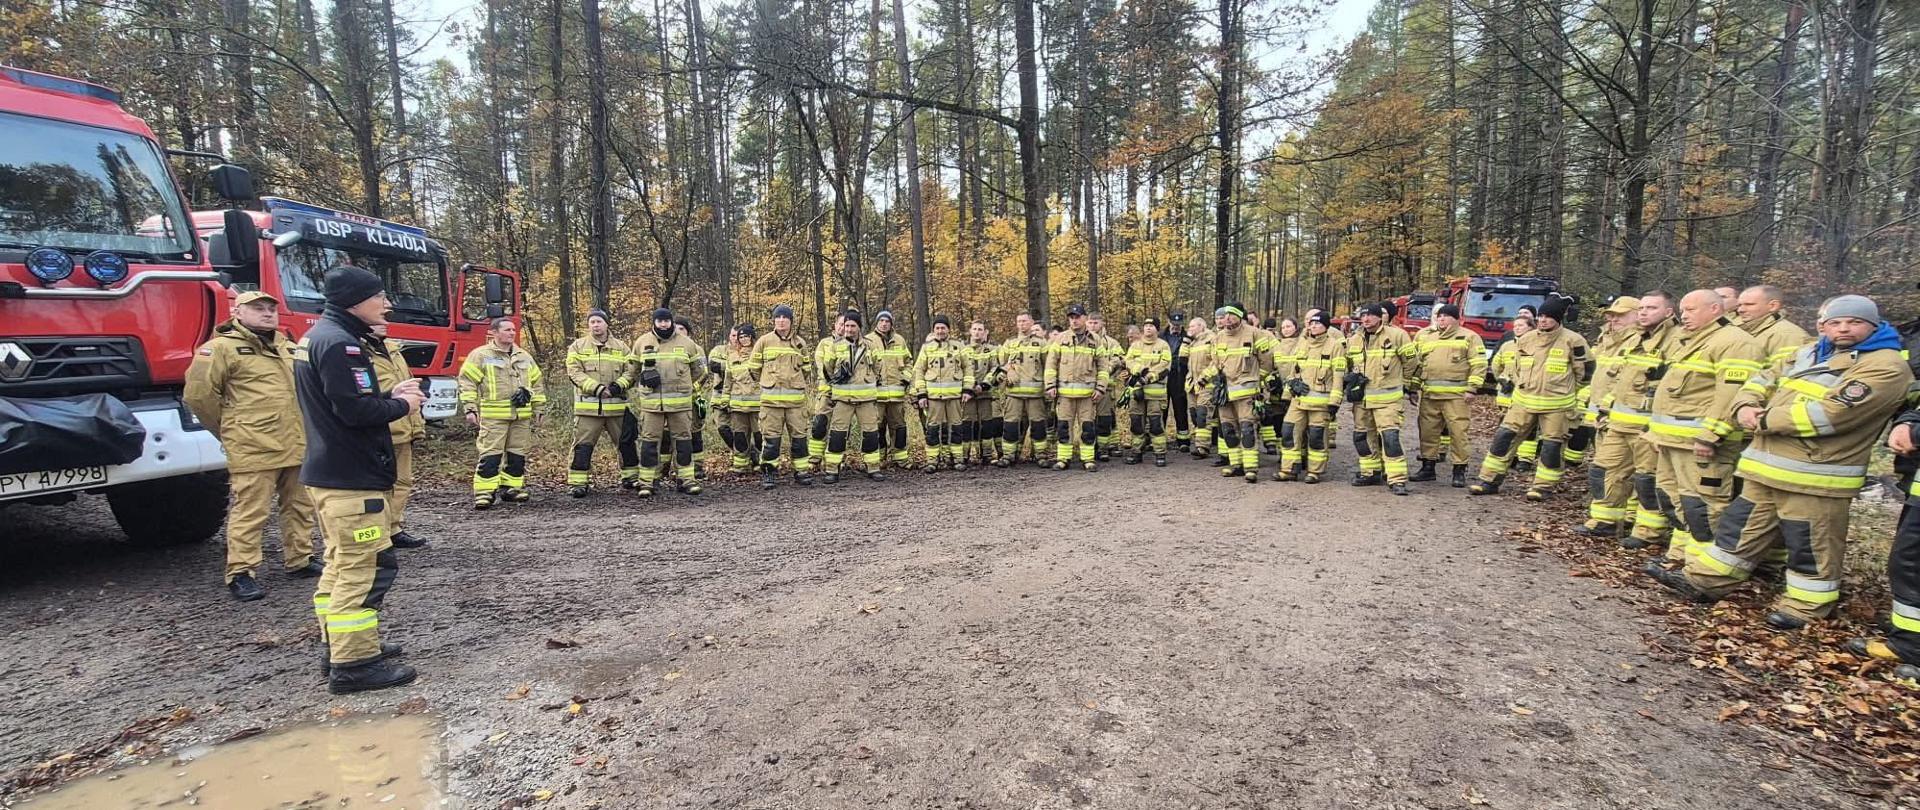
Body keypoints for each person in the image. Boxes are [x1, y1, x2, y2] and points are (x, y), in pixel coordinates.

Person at [1646, 295, 1912, 631]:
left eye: (1854, 322)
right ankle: (1704, 581)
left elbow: (1832, 414)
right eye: (1835, 322)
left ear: (1874, 325)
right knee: (1738, 529)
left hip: (1817, 475)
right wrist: (1744, 405)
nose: (1843, 328)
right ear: (1824, 326)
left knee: (1809, 544)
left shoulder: (1884, 365)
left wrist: (1763, 419)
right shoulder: (1812, 351)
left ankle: (1806, 606)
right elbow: (1760, 380)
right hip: (1767, 465)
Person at [292, 265, 424, 694]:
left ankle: (342, 647)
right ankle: (355, 665)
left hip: (332, 474)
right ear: (354, 300)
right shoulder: (341, 346)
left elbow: (345, 404)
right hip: (351, 479)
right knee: (364, 568)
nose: (386, 303)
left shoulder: (318, 337)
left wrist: (384, 398)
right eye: (379, 296)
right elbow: (355, 412)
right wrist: (401, 404)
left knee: (338, 565)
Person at [185, 290, 319, 602]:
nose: (267, 314)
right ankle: (241, 572)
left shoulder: (287, 345)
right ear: (238, 312)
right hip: (253, 444)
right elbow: (199, 397)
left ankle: (300, 559)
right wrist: (229, 429)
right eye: (258, 308)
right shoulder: (219, 349)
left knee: (300, 505)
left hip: (295, 440)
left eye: (271, 309)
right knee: (251, 510)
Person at [1643, 290, 1763, 564]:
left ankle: (1701, 567)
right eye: (1682, 310)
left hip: (1701, 444)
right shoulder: (1693, 341)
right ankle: (1678, 558)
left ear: (1714, 309)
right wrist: (1656, 432)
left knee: (1702, 506)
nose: (1684, 315)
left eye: (1691, 310)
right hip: (1673, 441)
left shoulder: (1735, 343)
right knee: (1674, 499)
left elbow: (1731, 396)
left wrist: (1710, 437)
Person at [1581, 292, 1681, 545]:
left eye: (1652, 308)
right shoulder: (1635, 340)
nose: (1645, 312)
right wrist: (1606, 409)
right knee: (1604, 470)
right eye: (1643, 307)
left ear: (1669, 312)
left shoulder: (1677, 342)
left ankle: (1648, 532)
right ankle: (1605, 520)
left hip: (1647, 427)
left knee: (1647, 480)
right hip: (1618, 422)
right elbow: (1619, 380)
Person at [1470, 294, 1590, 499]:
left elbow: (1586, 373)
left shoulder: (1573, 341)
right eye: (1541, 315)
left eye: (1548, 316)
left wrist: (1567, 392)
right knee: (1503, 438)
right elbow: (1515, 367)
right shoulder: (1526, 339)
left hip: (1556, 405)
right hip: (1523, 402)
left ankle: (1543, 487)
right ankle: (1489, 480)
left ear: (1558, 318)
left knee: (1551, 447)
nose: (1543, 320)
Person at [457, 318, 545, 509]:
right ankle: (484, 492)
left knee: (517, 454)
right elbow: (467, 382)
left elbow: (536, 383)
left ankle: (511, 488)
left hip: (520, 416)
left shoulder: (524, 356)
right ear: (494, 333)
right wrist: (470, 408)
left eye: (513, 330)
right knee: (491, 455)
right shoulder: (481, 355)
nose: (512, 333)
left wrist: (538, 408)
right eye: (507, 330)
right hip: (494, 417)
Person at [629, 308, 709, 496]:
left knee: (683, 443)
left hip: (680, 405)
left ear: (671, 321)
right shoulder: (642, 342)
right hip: (651, 405)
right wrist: (643, 379)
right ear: (654, 322)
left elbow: (699, 371)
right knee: (649, 444)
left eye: (666, 320)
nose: (663, 324)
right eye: (660, 321)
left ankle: (687, 480)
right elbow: (632, 370)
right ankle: (647, 483)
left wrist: (685, 385)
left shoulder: (687, 344)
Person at [1409, 303, 1487, 488]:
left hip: (1457, 397)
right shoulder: (1426, 338)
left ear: (1455, 318)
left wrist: (1472, 388)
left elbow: (1479, 364)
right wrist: (1413, 388)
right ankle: (1428, 467)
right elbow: (1417, 365)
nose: (1441, 319)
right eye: (1439, 316)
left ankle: (1459, 470)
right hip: (1430, 396)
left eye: (1445, 316)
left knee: (1459, 433)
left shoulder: (1469, 337)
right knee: (1428, 432)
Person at [563, 309, 637, 497]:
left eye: (599, 321)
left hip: (617, 408)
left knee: (626, 444)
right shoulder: (577, 346)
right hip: (588, 410)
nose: (595, 325)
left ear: (606, 324)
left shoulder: (621, 347)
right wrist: (596, 388)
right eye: (592, 322)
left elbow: (632, 371)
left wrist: (616, 387)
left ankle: (631, 477)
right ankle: (578, 483)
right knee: (582, 446)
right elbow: (574, 372)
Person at [368, 322, 429, 550]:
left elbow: (410, 386)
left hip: (403, 426)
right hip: (379, 428)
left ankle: (394, 528)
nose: (383, 323)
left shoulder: (393, 349)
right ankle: (379, 534)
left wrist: (417, 424)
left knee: (402, 482)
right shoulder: (355, 351)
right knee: (378, 486)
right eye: (378, 320)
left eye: (385, 319)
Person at [1345, 302, 1417, 495]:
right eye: (1363, 316)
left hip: (1388, 398)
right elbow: (1348, 363)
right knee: (1362, 437)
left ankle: (1397, 480)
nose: (1366, 319)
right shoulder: (1354, 339)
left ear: (1380, 317)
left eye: (1370, 316)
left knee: (1390, 438)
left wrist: (1406, 383)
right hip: (1362, 400)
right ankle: (1370, 472)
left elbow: (1411, 362)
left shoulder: (1397, 335)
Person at [1206, 303, 1278, 483]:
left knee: (1247, 429)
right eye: (1225, 315)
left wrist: (1259, 382)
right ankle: (1236, 465)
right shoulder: (1218, 338)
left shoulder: (1255, 333)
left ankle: (1251, 468)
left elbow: (1266, 362)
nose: (1227, 318)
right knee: (1228, 430)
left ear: (1240, 316)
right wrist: (1205, 379)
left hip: (1247, 391)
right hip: (1225, 393)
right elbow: (1214, 363)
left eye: (1231, 314)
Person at [1278, 310, 1346, 483]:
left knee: (1316, 437)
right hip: (1298, 400)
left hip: (1321, 402)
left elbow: (1339, 375)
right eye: (1311, 323)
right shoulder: (1303, 344)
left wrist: (1335, 402)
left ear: (1326, 326)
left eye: (1318, 323)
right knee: (1288, 431)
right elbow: (1294, 371)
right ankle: (1289, 469)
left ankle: (1314, 471)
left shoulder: (1335, 346)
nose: (1313, 326)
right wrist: (1288, 394)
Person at [752, 304, 815, 488]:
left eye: (784, 318)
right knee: (771, 441)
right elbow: (754, 369)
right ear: (773, 320)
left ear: (790, 321)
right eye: (777, 317)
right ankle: (769, 473)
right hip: (771, 404)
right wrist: (767, 383)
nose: (781, 321)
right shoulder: (764, 341)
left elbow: (806, 370)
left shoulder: (800, 343)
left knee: (800, 439)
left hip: (795, 404)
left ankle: (801, 472)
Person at [820, 310, 887, 482]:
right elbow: (827, 368)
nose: (849, 329)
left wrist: (872, 382)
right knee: (837, 434)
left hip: (866, 399)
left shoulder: (870, 345)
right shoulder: (836, 345)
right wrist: (834, 384)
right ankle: (832, 470)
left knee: (871, 433)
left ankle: (873, 468)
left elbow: (879, 367)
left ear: (859, 327)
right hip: (843, 399)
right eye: (847, 325)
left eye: (853, 326)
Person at [1046, 304, 1108, 470]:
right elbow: (1051, 364)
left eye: (1077, 317)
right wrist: (1050, 385)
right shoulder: (1060, 339)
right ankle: (1063, 458)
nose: (1074, 320)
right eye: (1071, 317)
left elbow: (1103, 367)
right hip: (1065, 394)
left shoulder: (1095, 340)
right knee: (1064, 427)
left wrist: (1100, 388)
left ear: (1084, 319)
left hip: (1088, 395)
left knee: (1087, 427)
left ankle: (1087, 459)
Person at [913, 316, 971, 471]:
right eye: (937, 328)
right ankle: (932, 461)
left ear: (948, 330)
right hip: (933, 398)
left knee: (956, 428)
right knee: (932, 429)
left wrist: (967, 389)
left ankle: (957, 460)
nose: (940, 331)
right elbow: (919, 370)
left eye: (943, 328)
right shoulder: (927, 347)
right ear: (934, 330)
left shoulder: (959, 346)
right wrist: (921, 394)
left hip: (955, 397)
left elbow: (968, 368)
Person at [999, 312, 1051, 467]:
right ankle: (1009, 455)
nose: (1021, 324)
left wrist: (1048, 389)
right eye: (1019, 321)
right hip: (1014, 393)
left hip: (1035, 394)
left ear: (1031, 322)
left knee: (1038, 425)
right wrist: (1009, 370)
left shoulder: (1041, 344)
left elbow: (1048, 365)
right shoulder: (1009, 343)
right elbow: (1001, 363)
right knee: (1011, 425)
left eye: (1024, 321)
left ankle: (1040, 455)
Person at [1122, 318, 1173, 466]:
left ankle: (1160, 453)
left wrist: (1148, 377)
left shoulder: (1163, 346)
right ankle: (1136, 452)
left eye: (1151, 326)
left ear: (1157, 329)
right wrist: (1137, 370)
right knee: (1136, 423)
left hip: (1155, 394)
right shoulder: (1135, 345)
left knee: (1156, 424)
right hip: (1137, 392)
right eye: (1146, 326)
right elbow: (1128, 361)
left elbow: (1165, 367)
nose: (1148, 328)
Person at [870, 311, 914, 470]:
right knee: (877, 429)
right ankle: (880, 459)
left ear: (891, 323)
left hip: (897, 396)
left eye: (887, 321)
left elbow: (909, 362)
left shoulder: (899, 340)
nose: (884, 323)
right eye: (881, 320)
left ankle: (900, 459)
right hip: (877, 397)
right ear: (877, 323)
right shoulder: (869, 340)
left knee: (899, 428)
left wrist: (906, 378)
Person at [1736, 285, 1813, 375]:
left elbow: (1784, 374)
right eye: (1739, 305)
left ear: (1773, 306)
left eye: (1749, 304)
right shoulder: (1746, 331)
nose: (1740, 310)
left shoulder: (1787, 335)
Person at [719, 323, 761, 474]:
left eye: (747, 336)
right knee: (740, 436)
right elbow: (727, 381)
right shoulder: (732, 357)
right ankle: (741, 465)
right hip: (738, 405)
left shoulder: (759, 355)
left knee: (760, 435)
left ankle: (762, 463)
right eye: (741, 336)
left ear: (752, 337)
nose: (744, 339)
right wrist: (725, 399)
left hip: (758, 404)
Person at [808, 313, 847, 472]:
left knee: (841, 429)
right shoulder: (824, 343)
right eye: (840, 324)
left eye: (846, 324)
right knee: (819, 425)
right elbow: (823, 366)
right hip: (826, 392)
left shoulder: (853, 344)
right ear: (835, 325)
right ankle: (814, 460)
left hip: (845, 393)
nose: (843, 327)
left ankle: (838, 459)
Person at [961, 320, 1002, 467]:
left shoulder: (990, 350)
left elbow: (994, 368)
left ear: (984, 332)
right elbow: (961, 369)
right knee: (967, 424)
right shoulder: (963, 350)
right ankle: (964, 456)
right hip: (968, 394)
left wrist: (984, 385)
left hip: (985, 393)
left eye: (980, 329)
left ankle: (987, 455)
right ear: (970, 331)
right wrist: (969, 387)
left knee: (986, 424)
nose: (977, 332)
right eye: (974, 329)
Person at [1087, 312, 1126, 461]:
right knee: (1088, 419)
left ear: (1102, 323)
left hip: (1107, 387)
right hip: (1086, 387)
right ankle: (1091, 446)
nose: (1092, 326)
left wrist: (1107, 369)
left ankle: (1104, 448)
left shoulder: (1111, 342)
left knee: (1106, 418)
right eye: (1090, 323)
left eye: (1095, 323)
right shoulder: (1082, 341)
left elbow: (1119, 359)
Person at [1182, 315, 1220, 463]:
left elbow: (1217, 361)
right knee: (1194, 414)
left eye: (1193, 326)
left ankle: (1202, 447)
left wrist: (1205, 377)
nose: (1189, 329)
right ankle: (1200, 441)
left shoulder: (1212, 338)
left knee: (1203, 414)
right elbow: (1182, 359)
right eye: (1189, 326)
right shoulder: (1193, 342)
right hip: (1192, 385)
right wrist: (1186, 340)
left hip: (1206, 383)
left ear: (1202, 326)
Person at [1264, 317, 1302, 455]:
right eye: (1284, 327)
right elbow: (1270, 367)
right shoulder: (1277, 347)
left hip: (1296, 390)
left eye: (1289, 326)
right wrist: (1271, 379)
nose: (1286, 329)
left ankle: (1299, 453)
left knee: (1295, 425)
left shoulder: (1302, 345)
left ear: (1296, 328)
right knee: (1279, 422)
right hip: (1278, 391)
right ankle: (1283, 454)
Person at [1165, 311, 1191, 450]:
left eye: (1178, 324)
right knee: (1161, 408)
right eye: (1174, 324)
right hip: (1163, 376)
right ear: (1169, 322)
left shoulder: (1187, 337)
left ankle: (1183, 440)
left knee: (1180, 407)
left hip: (1179, 376)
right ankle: (1157, 439)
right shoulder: (1161, 337)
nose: (1176, 327)